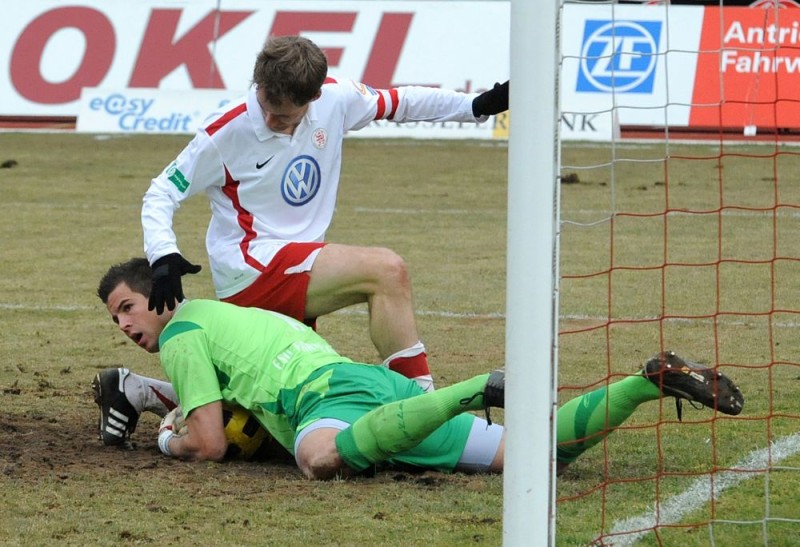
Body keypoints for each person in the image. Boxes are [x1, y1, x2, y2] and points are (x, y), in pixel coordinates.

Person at [93, 258, 745, 478]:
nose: (126, 326)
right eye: (115, 320)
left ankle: (470, 388)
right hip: (380, 390)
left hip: (330, 399)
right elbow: (221, 394)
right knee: (542, 455)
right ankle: (647, 379)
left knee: (318, 457)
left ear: (155, 293)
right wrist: (162, 396)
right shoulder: (222, 314)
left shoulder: (183, 330)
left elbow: (206, 440)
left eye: (127, 308)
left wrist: (166, 435)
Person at [141, 35, 510, 394]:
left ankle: (141, 392)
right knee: (385, 270)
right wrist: (163, 255)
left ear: (314, 97)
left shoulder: (336, 99)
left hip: (298, 264)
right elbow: (162, 191)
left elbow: (401, 102)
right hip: (251, 268)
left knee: (293, 398)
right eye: (265, 106)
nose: (270, 120)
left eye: (283, 116)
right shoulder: (226, 130)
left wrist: (477, 104)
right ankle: (424, 402)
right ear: (258, 83)